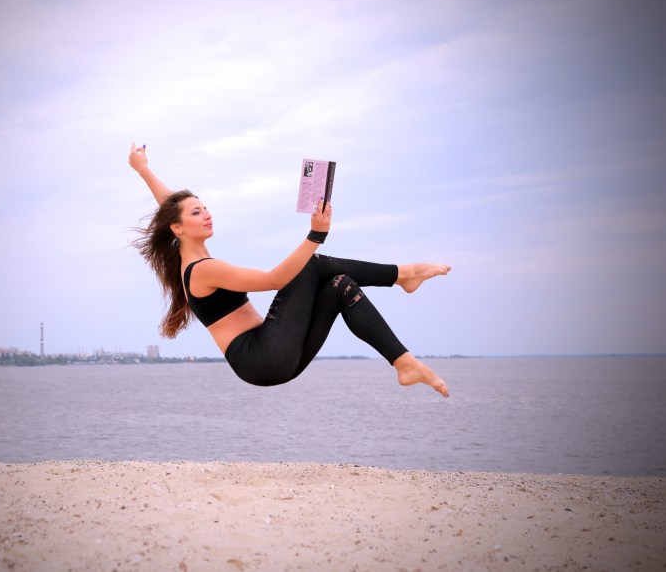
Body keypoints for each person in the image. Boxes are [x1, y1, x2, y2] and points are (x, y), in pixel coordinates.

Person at [128, 143, 452, 398]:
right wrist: (316, 236)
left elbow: (170, 204)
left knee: (341, 285)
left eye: (206, 208)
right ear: (178, 228)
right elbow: (274, 280)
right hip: (262, 357)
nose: (207, 214)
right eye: (197, 212)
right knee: (310, 263)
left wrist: (144, 170)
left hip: (276, 358)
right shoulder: (202, 270)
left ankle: (404, 362)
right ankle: (403, 275)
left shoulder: (192, 252)